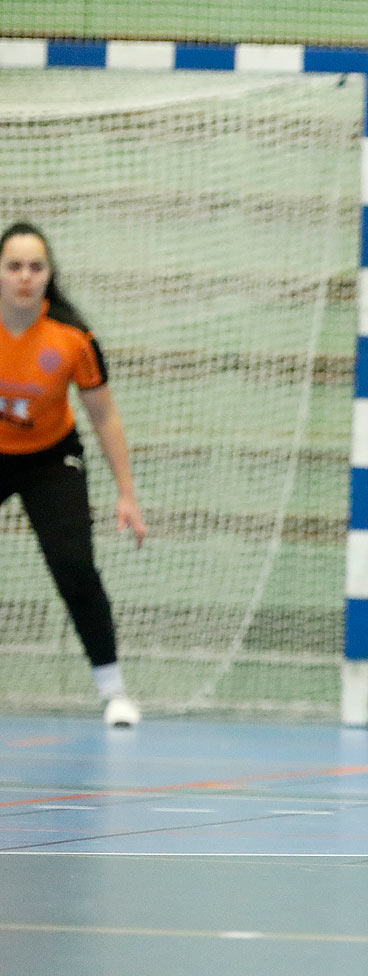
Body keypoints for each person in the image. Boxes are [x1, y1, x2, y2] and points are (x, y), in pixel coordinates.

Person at [0, 222, 147, 727]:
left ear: (49, 274)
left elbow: (104, 416)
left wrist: (127, 495)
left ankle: (114, 690)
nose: (24, 276)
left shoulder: (72, 336)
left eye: (35, 267)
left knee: (75, 567)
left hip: (50, 458)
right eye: (13, 266)